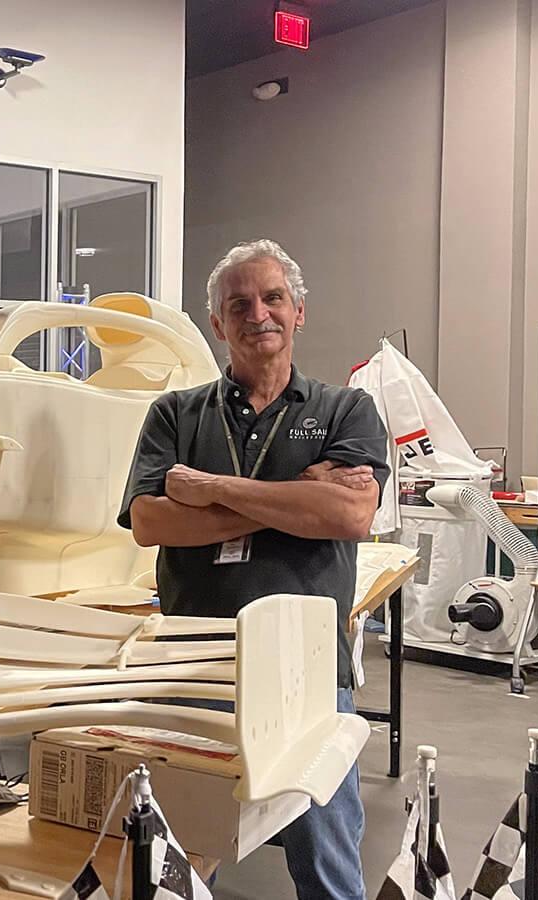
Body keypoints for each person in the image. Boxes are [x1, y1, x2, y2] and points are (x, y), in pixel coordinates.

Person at [118, 239, 388, 900]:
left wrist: (209, 487)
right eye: (238, 304)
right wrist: (299, 494)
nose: (257, 313)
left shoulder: (343, 411)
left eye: (273, 299)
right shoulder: (175, 414)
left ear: (299, 313)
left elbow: (351, 516)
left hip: (306, 670)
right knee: (179, 848)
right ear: (218, 324)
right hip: (193, 663)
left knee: (325, 854)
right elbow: (151, 523)